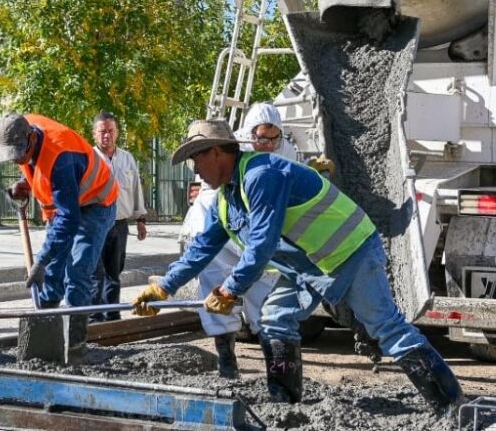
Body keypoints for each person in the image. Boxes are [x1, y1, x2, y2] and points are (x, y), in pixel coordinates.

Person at [133, 120, 461, 413]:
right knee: (275, 318)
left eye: (197, 159)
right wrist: (164, 287)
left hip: (350, 252)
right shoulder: (228, 196)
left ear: (217, 152)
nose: (195, 170)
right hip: (308, 266)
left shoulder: (261, 176)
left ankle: (449, 404)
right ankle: (284, 403)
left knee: (387, 328)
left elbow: (261, 244)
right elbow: (204, 246)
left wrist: (231, 289)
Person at [0, 112, 118, 362]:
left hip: (96, 202)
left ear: (30, 139)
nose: (18, 159)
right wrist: (24, 183)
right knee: (51, 269)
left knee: (79, 269)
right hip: (67, 206)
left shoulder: (60, 156)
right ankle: (46, 335)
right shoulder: (18, 129)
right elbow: (38, 171)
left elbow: (68, 220)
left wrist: (41, 259)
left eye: (20, 154)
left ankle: (74, 347)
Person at [192, 103, 297, 378]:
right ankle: (226, 360)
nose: (269, 144)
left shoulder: (286, 151)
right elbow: (214, 198)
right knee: (216, 290)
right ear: (250, 135)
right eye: (262, 137)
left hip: (256, 235)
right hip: (224, 230)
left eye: (274, 137)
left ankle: (278, 371)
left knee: (265, 299)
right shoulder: (232, 151)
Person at [89, 111, 148, 322]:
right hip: (94, 224)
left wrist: (140, 219)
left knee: (114, 272)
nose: (107, 136)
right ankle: (93, 317)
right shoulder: (88, 158)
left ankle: (112, 316)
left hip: (120, 224)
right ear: (94, 133)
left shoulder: (127, 158)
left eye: (111, 131)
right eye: (102, 132)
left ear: (117, 133)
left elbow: (135, 189)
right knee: (95, 273)